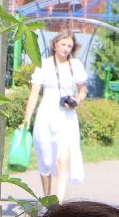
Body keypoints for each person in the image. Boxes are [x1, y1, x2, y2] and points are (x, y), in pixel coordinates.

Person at [22, 30, 87, 198]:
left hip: (66, 117)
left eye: (70, 46)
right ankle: (47, 199)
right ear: (55, 44)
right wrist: (26, 119)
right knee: (46, 161)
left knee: (63, 162)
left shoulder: (76, 65)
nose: (66, 48)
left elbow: (82, 91)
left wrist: (76, 100)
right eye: (63, 44)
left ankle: (58, 205)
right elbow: (34, 94)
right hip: (47, 114)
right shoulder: (44, 65)